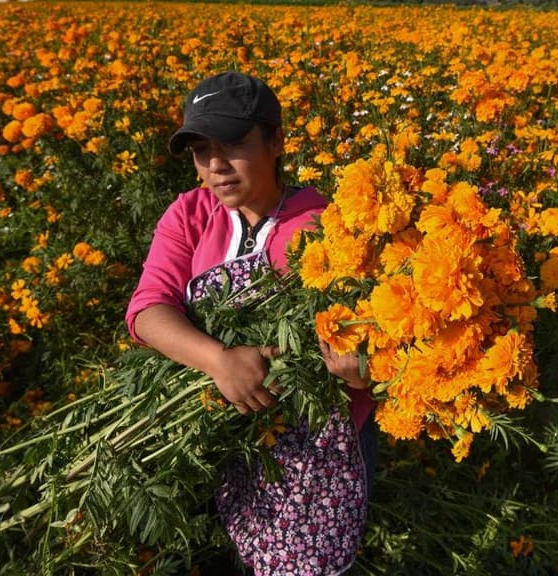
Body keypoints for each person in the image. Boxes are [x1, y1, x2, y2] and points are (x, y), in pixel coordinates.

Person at [125, 71, 376, 575]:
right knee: (245, 546)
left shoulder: (327, 225)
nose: (216, 165)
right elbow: (148, 311)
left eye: (235, 142)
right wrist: (218, 360)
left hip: (318, 448)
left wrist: (359, 373)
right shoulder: (190, 214)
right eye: (200, 149)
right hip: (232, 431)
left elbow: (373, 356)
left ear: (277, 140)